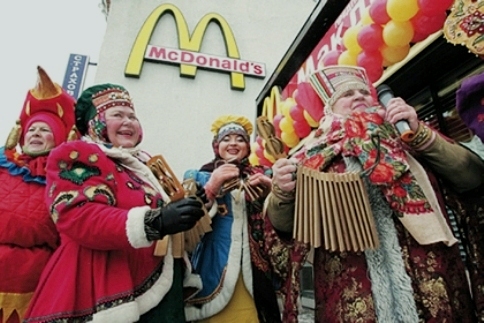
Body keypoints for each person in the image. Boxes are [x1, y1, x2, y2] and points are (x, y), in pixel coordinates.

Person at [265, 65, 484, 322]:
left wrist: (424, 136)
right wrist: (282, 193)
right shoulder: (308, 156)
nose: (358, 96)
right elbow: (284, 227)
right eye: (347, 95)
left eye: (363, 92)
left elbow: (473, 177)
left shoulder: (409, 135)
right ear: (329, 109)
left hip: (430, 280)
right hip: (351, 290)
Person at [23, 83, 205, 323]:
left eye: (132, 116)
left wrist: (192, 206)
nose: (128, 122)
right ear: (95, 122)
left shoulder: (147, 165)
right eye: (117, 115)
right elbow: (78, 215)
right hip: (102, 285)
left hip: (160, 285)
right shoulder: (78, 153)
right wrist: (156, 221)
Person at [183, 115, 290, 323]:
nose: (233, 143)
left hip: (258, 270)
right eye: (226, 139)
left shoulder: (262, 174)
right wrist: (211, 188)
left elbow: (283, 221)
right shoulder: (199, 176)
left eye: (240, 139)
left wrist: (273, 193)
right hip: (213, 268)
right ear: (216, 145)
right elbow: (185, 223)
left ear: (247, 147)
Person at [0, 66, 77, 323]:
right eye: (32, 129)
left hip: (33, 278)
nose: (36, 134)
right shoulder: (3, 164)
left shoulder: (67, 178)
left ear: (59, 138)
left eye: (45, 130)